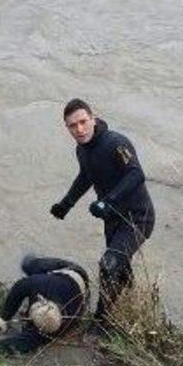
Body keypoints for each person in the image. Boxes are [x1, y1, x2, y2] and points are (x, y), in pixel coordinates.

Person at [50, 99, 155, 323]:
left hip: (138, 218)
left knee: (108, 265)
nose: (79, 129)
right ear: (67, 128)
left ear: (93, 119)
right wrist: (66, 204)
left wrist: (108, 201)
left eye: (83, 122)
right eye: (72, 125)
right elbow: (86, 176)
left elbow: (136, 174)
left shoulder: (116, 143)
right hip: (113, 219)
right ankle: (134, 307)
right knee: (120, 269)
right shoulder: (82, 150)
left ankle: (102, 321)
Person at [0, 255, 89, 356]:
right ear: (41, 300)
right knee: (27, 265)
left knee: (30, 270)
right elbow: (19, 287)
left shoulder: (44, 334)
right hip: (72, 271)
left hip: (76, 288)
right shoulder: (40, 283)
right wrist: (4, 317)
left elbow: (9, 345)